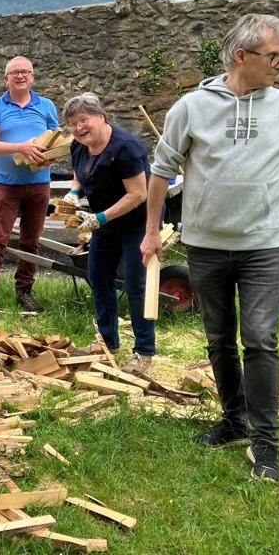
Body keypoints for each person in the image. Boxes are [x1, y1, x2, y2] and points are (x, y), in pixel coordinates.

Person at [140, 14, 279, 483]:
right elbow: (161, 170)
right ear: (242, 56)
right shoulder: (192, 107)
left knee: (260, 339)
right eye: (273, 56)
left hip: (263, 245)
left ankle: (266, 442)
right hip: (206, 246)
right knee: (218, 338)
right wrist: (152, 231)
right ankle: (234, 420)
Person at [62, 92, 156, 374]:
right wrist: (72, 193)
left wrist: (100, 218)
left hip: (137, 222)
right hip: (103, 222)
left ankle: (143, 352)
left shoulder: (125, 147)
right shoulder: (79, 146)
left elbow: (139, 194)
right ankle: (107, 343)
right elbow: (80, 175)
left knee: (136, 285)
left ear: (101, 117)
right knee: (98, 278)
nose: (79, 127)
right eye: (73, 123)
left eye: (84, 120)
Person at [0, 56, 59, 319]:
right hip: (7, 185)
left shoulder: (46, 105)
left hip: (39, 183)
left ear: (32, 77)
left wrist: (48, 153)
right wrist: (21, 147)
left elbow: (57, 140)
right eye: (14, 72)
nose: (20, 76)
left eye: (25, 72)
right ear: (6, 79)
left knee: (31, 242)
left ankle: (24, 291)